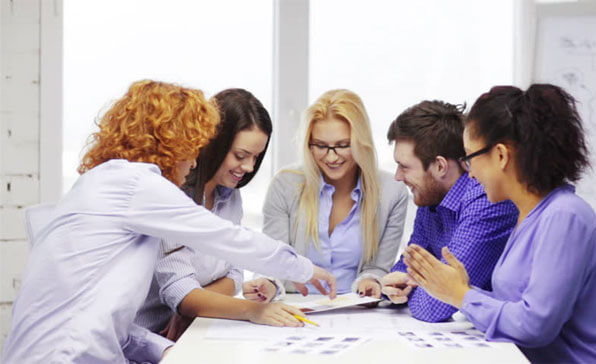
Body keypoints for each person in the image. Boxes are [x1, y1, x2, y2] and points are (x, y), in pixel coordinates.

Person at [1, 80, 336, 364]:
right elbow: (223, 237)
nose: (194, 160)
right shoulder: (137, 185)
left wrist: (166, 350)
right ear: (167, 143)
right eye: (190, 147)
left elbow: (110, 319)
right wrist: (303, 270)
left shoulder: (105, 185)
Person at [403, 84, 596, 363]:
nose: (470, 175)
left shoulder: (564, 217)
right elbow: (515, 308)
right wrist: (464, 290)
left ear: (500, 155)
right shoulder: (528, 215)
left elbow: (535, 326)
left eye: (470, 158)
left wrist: (461, 295)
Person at [134, 88, 294, 341]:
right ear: (214, 143)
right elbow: (180, 292)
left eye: (256, 157)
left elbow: (234, 274)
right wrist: (254, 311)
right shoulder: (172, 194)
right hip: (149, 338)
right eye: (241, 156)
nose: (249, 167)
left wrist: (195, 306)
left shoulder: (230, 196)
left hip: (195, 329)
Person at [245, 89, 408, 301]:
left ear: (361, 143)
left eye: (342, 146)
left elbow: (378, 267)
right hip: (295, 306)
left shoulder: (392, 192)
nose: (331, 157)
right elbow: (274, 261)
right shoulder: (285, 185)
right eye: (321, 146)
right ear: (308, 144)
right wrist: (267, 284)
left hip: (355, 308)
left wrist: (371, 281)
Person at [380, 100, 518, 322]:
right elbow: (406, 269)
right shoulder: (431, 197)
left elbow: (434, 307)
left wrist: (412, 286)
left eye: (404, 166)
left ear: (440, 166)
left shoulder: (486, 202)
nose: (397, 176)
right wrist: (392, 286)